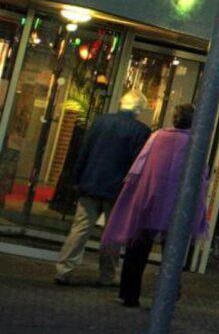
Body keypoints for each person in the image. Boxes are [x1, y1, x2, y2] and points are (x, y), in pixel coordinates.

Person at [101, 103, 208, 307]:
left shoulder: (157, 136)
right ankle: (167, 297)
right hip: (178, 207)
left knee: (137, 250)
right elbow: (200, 177)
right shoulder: (195, 143)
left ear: (174, 119)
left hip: (149, 199)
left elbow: (138, 167)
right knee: (172, 254)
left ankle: (129, 294)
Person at [54, 91, 150, 286]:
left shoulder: (100, 122)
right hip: (118, 191)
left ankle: (64, 270)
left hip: (91, 182)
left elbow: (85, 151)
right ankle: (107, 275)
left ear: (122, 103)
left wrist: (77, 178)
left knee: (80, 228)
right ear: (139, 109)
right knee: (112, 234)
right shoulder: (141, 131)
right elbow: (137, 165)